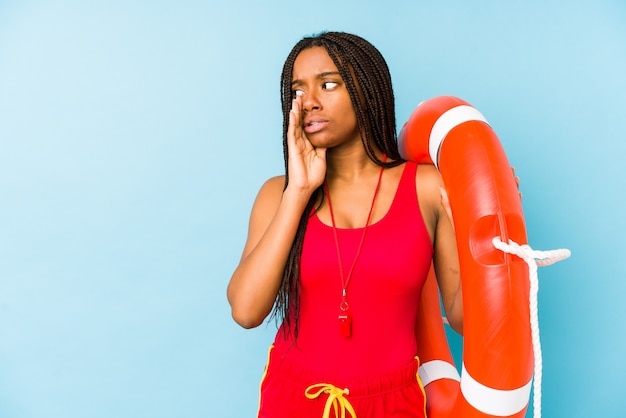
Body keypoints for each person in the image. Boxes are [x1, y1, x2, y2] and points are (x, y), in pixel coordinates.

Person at [227, 31, 463, 418]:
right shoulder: (277, 194)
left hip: (392, 403)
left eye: (329, 83)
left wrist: (488, 224)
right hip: (295, 398)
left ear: (367, 91)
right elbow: (246, 311)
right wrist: (299, 191)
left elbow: (462, 319)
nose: (310, 103)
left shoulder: (426, 187)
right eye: (297, 91)